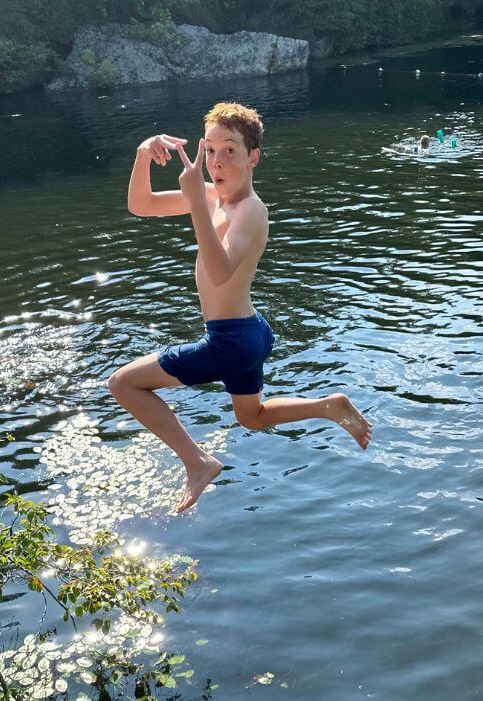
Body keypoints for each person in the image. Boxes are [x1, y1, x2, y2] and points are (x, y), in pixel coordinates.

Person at [111, 102, 372, 513]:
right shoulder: (214, 197)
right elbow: (141, 205)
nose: (216, 161)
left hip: (230, 340)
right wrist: (144, 154)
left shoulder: (250, 210)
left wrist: (197, 200)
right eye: (210, 150)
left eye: (229, 150)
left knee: (124, 384)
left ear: (253, 157)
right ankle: (329, 406)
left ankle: (197, 462)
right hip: (249, 331)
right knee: (252, 416)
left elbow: (218, 272)